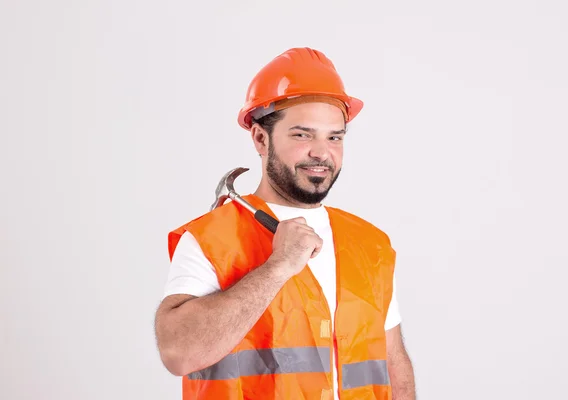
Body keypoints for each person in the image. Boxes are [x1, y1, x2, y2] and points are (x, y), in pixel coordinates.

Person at [154, 47, 416, 400]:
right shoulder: (213, 239)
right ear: (261, 139)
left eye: (334, 137)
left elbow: (392, 362)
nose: (322, 152)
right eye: (302, 135)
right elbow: (179, 353)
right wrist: (277, 267)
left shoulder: (370, 244)